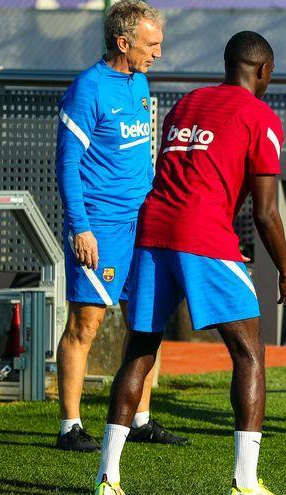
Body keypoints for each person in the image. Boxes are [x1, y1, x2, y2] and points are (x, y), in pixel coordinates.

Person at [93, 31, 286, 495]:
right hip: (201, 234)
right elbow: (267, 212)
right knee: (249, 353)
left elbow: (194, 174)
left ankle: (107, 479)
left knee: (139, 350)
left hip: (152, 231)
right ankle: (245, 482)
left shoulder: (186, 105)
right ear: (264, 71)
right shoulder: (262, 117)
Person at [54, 0, 186, 452]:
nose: (159, 53)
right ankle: (70, 427)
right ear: (122, 42)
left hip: (142, 222)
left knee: (144, 320)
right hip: (101, 226)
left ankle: (141, 418)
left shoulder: (140, 82)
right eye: (152, 45)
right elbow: (67, 165)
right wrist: (80, 227)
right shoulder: (87, 89)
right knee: (85, 325)